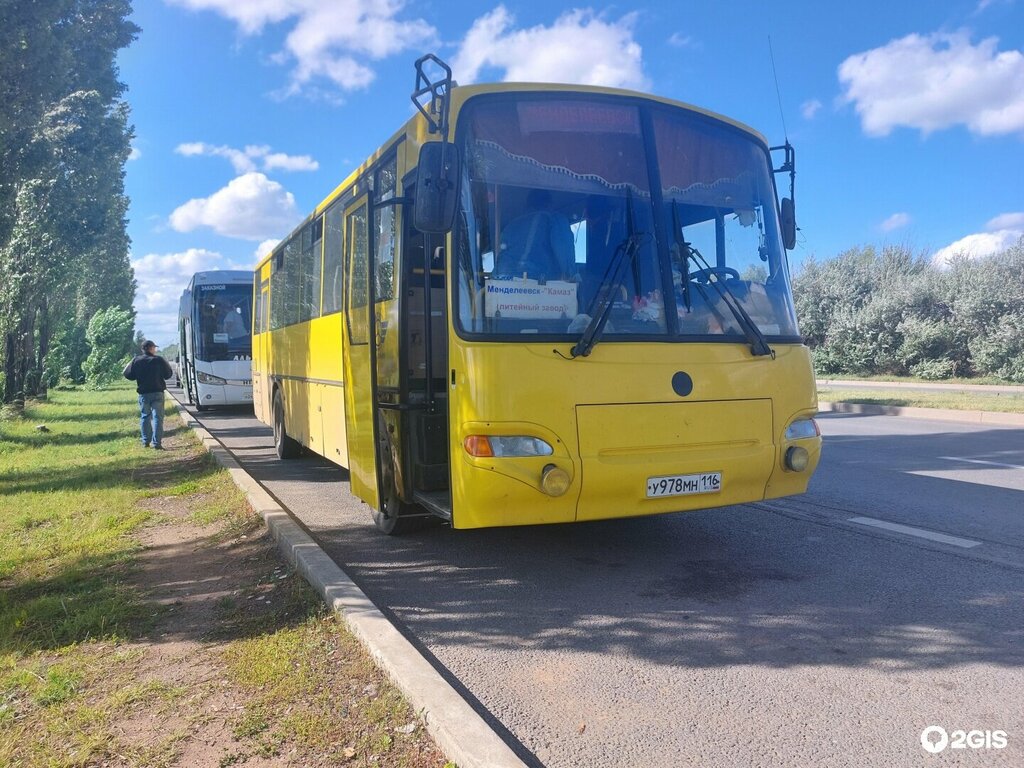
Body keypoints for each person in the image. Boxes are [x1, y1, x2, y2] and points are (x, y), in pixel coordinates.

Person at [495, 189, 575, 281]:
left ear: (527, 205)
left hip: (504, 284)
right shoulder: (554, 219)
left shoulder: (511, 225)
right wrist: (572, 276)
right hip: (538, 283)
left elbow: (501, 256)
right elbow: (564, 252)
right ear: (549, 204)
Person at [123, 340, 174, 449]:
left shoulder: (136, 360)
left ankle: (146, 441)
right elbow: (168, 374)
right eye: (154, 348)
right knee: (157, 418)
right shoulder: (159, 360)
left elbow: (127, 374)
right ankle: (157, 444)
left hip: (144, 394)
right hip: (157, 393)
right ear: (151, 348)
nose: (155, 350)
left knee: (145, 416)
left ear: (143, 349)